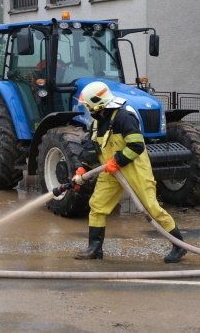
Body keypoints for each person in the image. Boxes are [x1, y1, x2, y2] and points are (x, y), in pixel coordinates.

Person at [71, 81, 187, 263]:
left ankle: (179, 245)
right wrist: (84, 167)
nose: (87, 109)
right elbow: (94, 147)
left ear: (98, 103)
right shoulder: (97, 122)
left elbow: (136, 145)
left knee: (151, 207)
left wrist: (118, 161)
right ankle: (94, 248)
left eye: (88, 105)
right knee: (97, 206)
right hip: (110, 171)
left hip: (134, 169)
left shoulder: (124, 117)